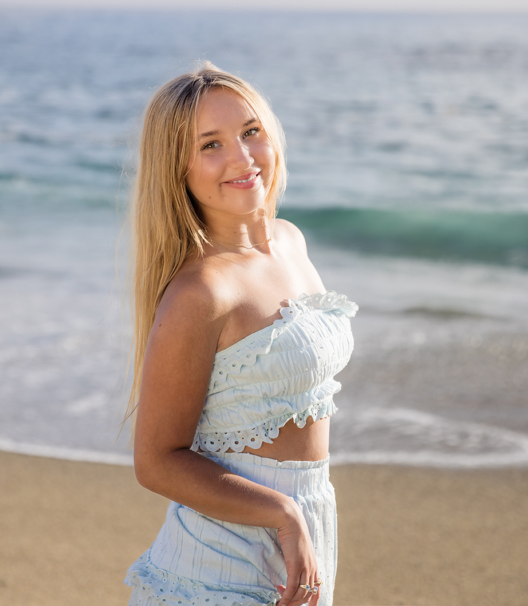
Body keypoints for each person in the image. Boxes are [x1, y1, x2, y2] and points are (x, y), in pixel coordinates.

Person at [123, 62, 358, 606]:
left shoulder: (290, 241)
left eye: (251, 132)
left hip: (304, 535)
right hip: (218, 565)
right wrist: (282, 512)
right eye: (210, 145)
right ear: (176, 168)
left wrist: (299, 516)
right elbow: (156, 460)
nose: (242, 157)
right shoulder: (200, 292)